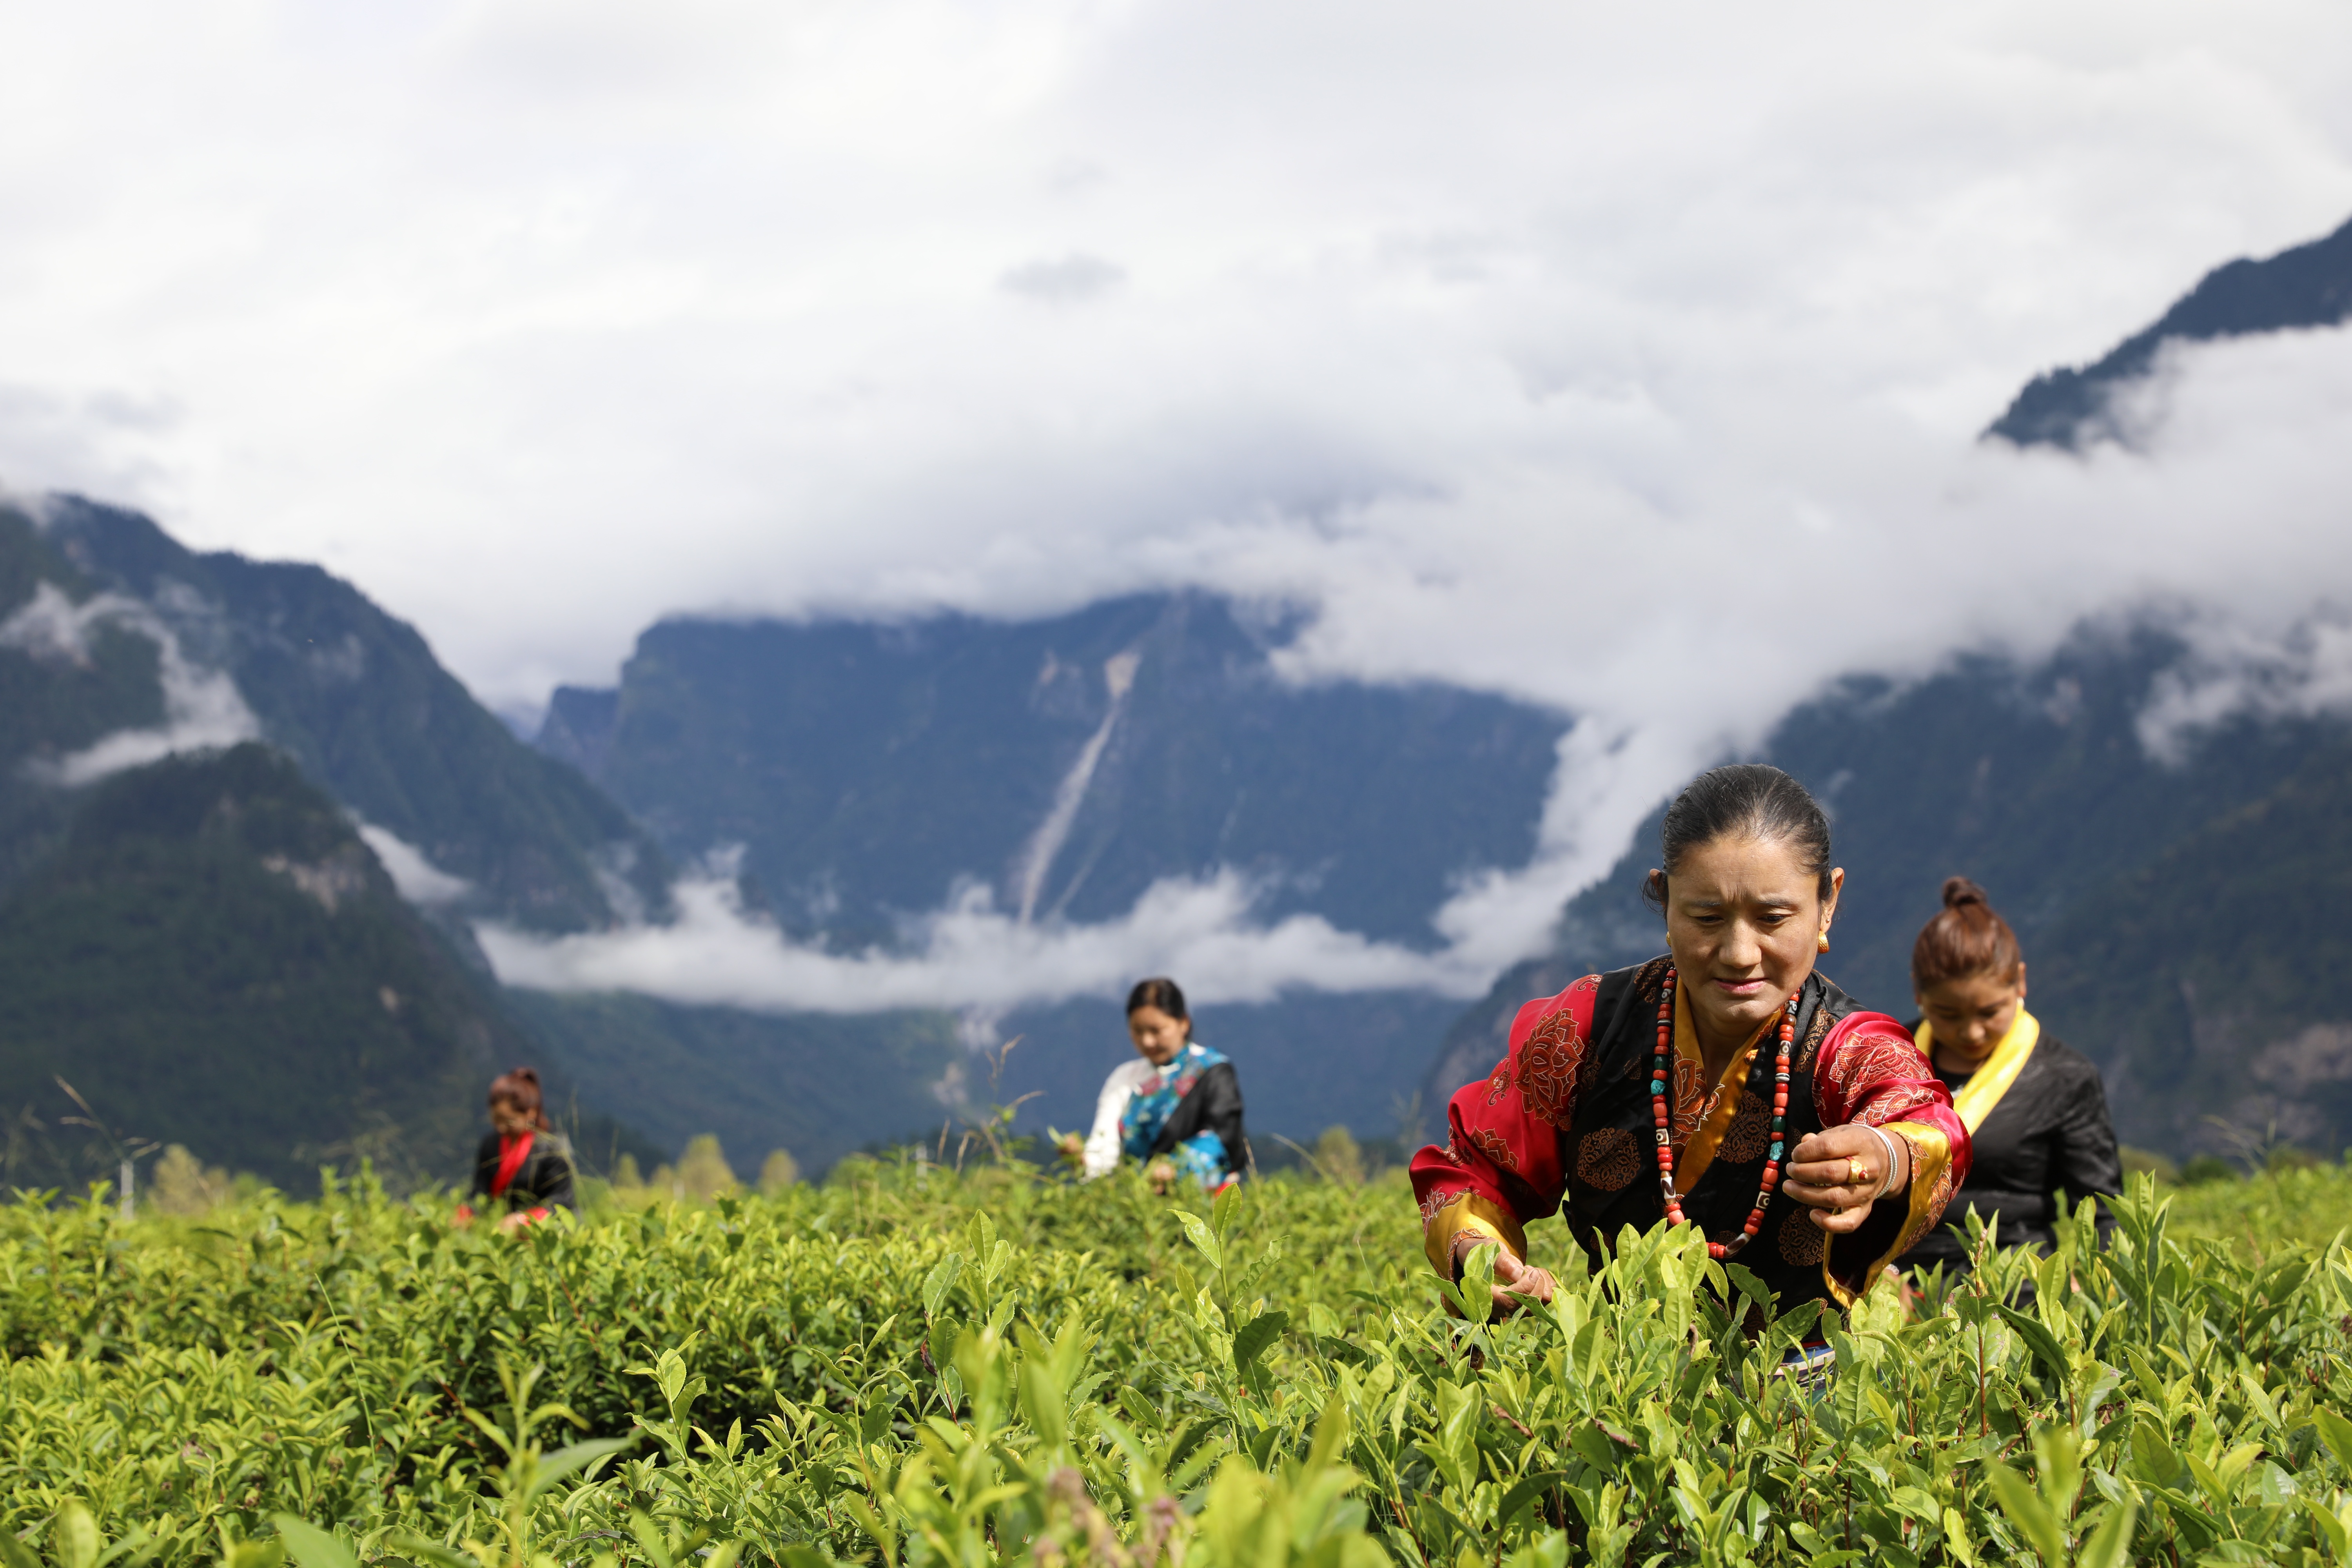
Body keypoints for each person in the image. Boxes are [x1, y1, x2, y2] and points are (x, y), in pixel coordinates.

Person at [1410, 764, 1973, 1318]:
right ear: (1665, 899)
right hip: (1617, 1382)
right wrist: (1479, 1257)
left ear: (1827, 902)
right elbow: (1475, 1168)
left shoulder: (1845, 1047)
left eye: (1773, 918)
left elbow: (1925, 1122)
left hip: (1807, 1397)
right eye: (1707, 917)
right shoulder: (1585, 1027)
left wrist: (1885, 1156)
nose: (1738, 952)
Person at [1899, 878, 2120, 1281]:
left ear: (2020, 981)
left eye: (1989, 1013)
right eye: (1948, 1014)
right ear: (1917, 989)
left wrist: (2092, 1288)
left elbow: (2102, 1209)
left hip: (2016, 1288)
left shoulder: (2064, 1077)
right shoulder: (1886, 1059)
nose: (1972, 1032)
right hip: (1895, 1290)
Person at [1057, 978, 1249, 1192]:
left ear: (1183, 1023)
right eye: (1138, 1031)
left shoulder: (1212, 1071)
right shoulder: (1124, 1078)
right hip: (1142, 1204)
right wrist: (1081, 1160)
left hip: (1206, 1204)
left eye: (1157, 1030)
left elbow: (1223, 1136)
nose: (1147, 1041)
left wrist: (1176, 1169)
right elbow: (1104, 1148)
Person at [454, 1067, 576, 1229]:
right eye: (496, 1119)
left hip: (548, 1231)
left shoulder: (553, 1146)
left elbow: (563, 1200)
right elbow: (480, 1191)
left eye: (509, 1121)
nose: (501, 1128)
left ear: (530, 1113)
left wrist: (523, 1220)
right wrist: (466, 1214)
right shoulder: (491, 1144)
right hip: (504, 1231)